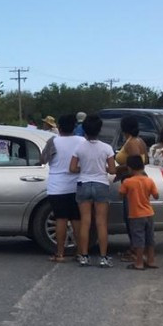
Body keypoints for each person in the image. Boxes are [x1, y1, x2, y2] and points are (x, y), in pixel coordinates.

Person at [69, 114, 116, 267]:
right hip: (101, 184)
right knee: (101, 222)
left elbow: (72, 168)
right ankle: (103, 257)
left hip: (83, 183)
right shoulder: (106, 148)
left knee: (85, 222)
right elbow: (113, 170)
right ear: (99, 129)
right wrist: (103, 167)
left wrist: (84, 168)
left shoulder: (79, 147)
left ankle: (84, 255)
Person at [40, 114, 83, 262]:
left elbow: (43, 159)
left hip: (57, 187)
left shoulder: (53, 141)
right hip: (76, 185)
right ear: (74, 126)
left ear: (59, 126)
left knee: (61, 219)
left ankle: (60, 253)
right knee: (77, 219)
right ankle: (80, 252)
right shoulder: (81, 141)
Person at [118, 155, 158, 270]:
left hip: (135, 214)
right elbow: (156, 195)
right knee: (150, 238)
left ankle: (139, 262)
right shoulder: (149, 181)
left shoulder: (127, 182)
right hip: (149, 213)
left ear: (129, 168)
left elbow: (121, 195)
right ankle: (151, 260)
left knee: (138, 239)